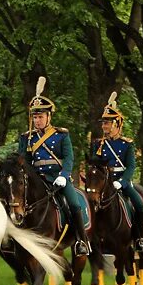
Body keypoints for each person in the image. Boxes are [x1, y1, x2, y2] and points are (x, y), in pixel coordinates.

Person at [18, 76, 89, 256]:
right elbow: (24, 160)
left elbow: (69, 158)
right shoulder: (27, 137)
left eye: (40, 117)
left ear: (49, 116)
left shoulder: (61, 135)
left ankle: (82, 241)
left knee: (73, 204)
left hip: (58, 179)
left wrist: (64, 176)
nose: (37, 120)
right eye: (35, 117)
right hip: (38, 180)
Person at [90, 91, 143, 252]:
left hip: (121, 181)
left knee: (139, 205)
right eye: (103, 123)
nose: (104, 126)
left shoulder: (127, 144)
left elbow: (130, 166)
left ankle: (139, 237)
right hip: (103, 182)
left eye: (107, 123)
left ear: (116, 124)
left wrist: (121, 182)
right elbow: (95, 164)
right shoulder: (98, 144)